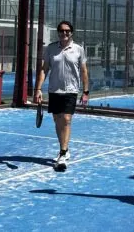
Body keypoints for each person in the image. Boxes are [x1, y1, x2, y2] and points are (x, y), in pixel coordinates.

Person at [34, 20, 89, 171]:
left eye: (67, 31)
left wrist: (85, 92)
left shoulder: (78, 49)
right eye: (61, 30)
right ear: (58, 32)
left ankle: (63, 154)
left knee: (66, 119)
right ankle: (64, 148)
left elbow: (84, 71)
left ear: (71, 32)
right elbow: (44, 69)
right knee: (58, 121)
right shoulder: (51, 49)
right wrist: (38, 89)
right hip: (54, 90)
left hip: (71, 90)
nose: (64, 33)